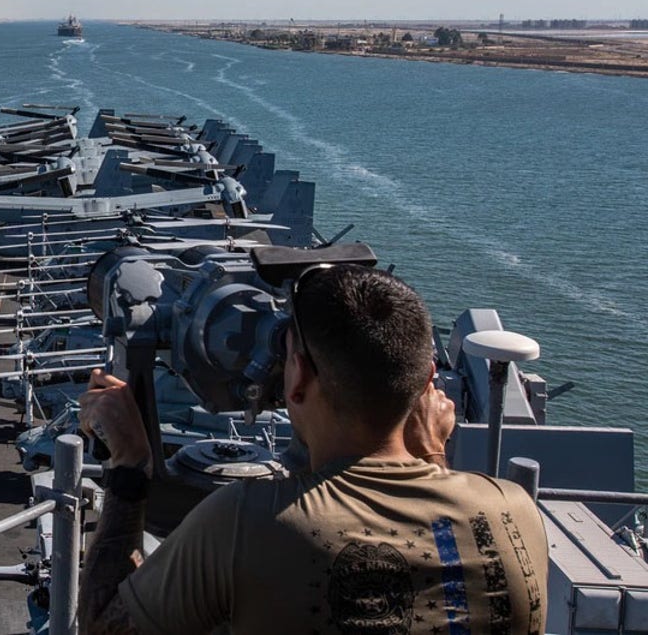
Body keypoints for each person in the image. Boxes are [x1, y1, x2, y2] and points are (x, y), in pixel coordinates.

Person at [78, 264, 548, 634]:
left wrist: (130, 466)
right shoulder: (513, 511)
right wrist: (430, 460)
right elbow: (438, 547)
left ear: (298, 377)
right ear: (428, 382)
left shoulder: (246, 524)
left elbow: (101, 626)